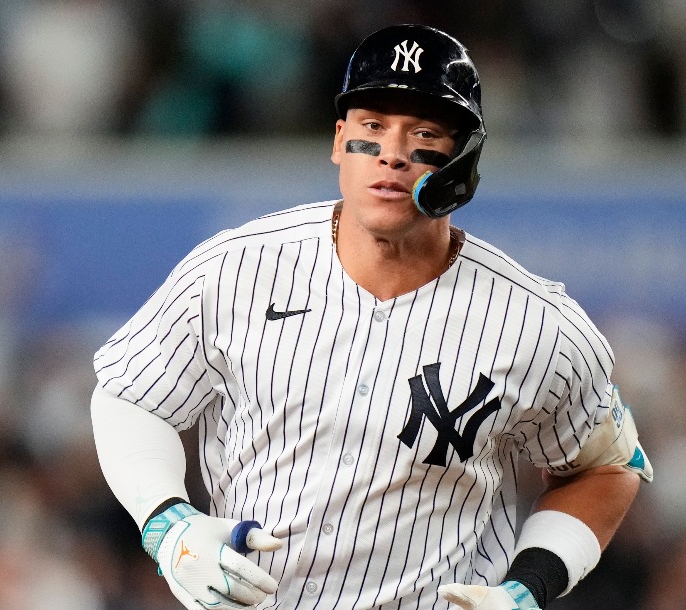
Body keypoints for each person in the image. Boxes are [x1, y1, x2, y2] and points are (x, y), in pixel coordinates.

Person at [90, 24, 652, 610]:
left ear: (463, 161)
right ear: (339, 141)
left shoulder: (540, 326)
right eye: (373, 126)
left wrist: (526, 589)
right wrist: (167, 522)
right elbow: (131, 396)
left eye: (424, 133)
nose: (392, 153)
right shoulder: (235, 267)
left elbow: (608, 468)